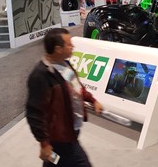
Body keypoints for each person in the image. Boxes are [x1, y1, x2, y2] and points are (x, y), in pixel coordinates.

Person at [26, 28, 103, 166]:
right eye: (69, 44)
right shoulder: (41, 75)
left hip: (71, 129)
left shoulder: (65, 65)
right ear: (58, 49)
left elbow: (77, 88)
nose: (72, 47)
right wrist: (44, 142)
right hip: (60, 137)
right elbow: (34, 113)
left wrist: (92, 100)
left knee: (56, 161)